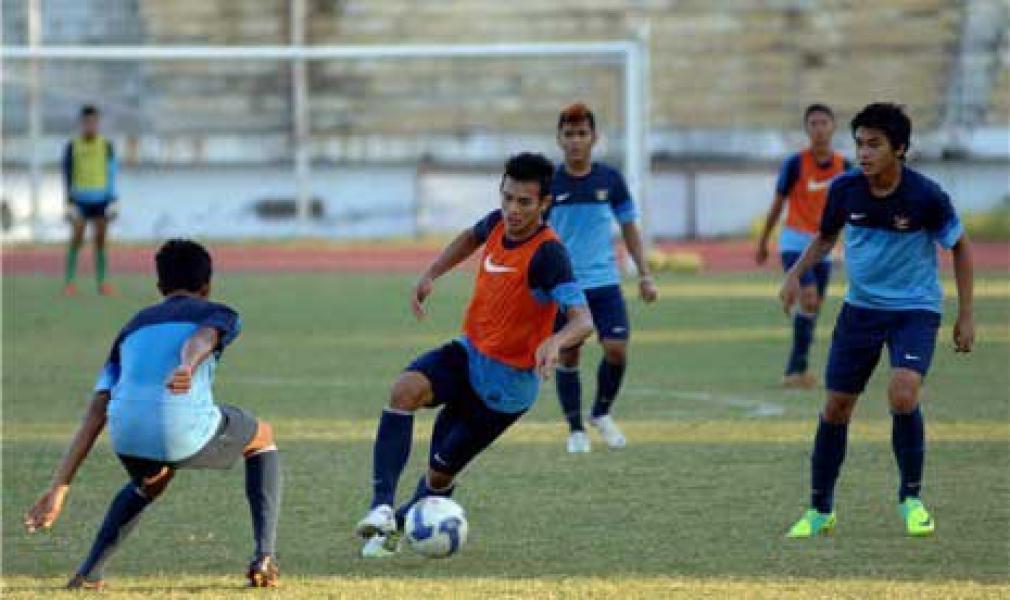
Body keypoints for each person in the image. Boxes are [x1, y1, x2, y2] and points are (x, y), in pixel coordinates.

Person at [353, 152, 593, 557]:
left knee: (440, 474)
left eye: (524, 202)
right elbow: (470, 237)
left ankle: (395, 528)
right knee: (404, 390)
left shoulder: (549, 255)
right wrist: (432, 273)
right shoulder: (499, 222)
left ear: (545, 204)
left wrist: (555, 342)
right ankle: (380, 508)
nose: (512, 210)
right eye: (507, 197)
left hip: (505, 389)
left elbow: (583, 319)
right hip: (468, 354)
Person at [24, 239, 282, 588]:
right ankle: (264, 557)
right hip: (179, 428)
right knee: (262, 436)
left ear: (159, 287)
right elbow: (204, 338)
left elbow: (96, 411)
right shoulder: (218, 312)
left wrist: (59, 488)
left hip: (125, 433)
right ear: (207, 286)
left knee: (152, 480)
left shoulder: (133, 326)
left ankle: (89, 574)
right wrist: (187, 365)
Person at [781, 103, 974, 538]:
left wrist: (965, 315)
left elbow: (960, 246)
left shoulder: (926, 196)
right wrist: (795, 275)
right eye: (860, 144)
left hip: (915, 311)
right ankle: (820, 510)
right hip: (861, 311)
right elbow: (826, 237)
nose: (864, 153)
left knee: (903, 393)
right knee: (836, 407)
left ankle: (911, 500)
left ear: (900, 149)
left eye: (875, 144)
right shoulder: (845, 190)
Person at [548, 102, 658, 454]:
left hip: (605, 283)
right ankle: (575, 429)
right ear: (559, 139)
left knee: (616, 350)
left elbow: (629, 227)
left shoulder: (609, 179)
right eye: (569, 134)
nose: (576, 141)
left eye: (582, 134)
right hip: (566, 285)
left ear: (594, 138)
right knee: (569, 355)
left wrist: (644, 274)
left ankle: (601, 413)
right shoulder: (549, 183)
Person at [756, 103, 851, 388]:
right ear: (807, 129)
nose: (819, 129)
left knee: (812, 307)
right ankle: (795, 370)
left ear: (833, 127)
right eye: (813, 123)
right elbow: (777, 204)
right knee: (809, 297)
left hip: (824, 245)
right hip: (794, 242)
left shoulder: (845, 167)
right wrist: (763, 240)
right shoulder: (795, 164)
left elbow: (854, 208)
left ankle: (797, 369)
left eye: (824, 122)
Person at [62, 104, 120, 296]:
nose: (91, 126)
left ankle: (102, 283)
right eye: (87, 122)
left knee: (101, 240)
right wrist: (68, 201)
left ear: (98, 123)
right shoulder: (73, 146)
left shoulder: (106, 146)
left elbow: (112, 173)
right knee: (76, 238)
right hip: (79, 199)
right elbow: (67, 174)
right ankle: (70, 282)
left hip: (101, 199)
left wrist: (113, 200)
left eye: (94, 122)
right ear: (82, 123)